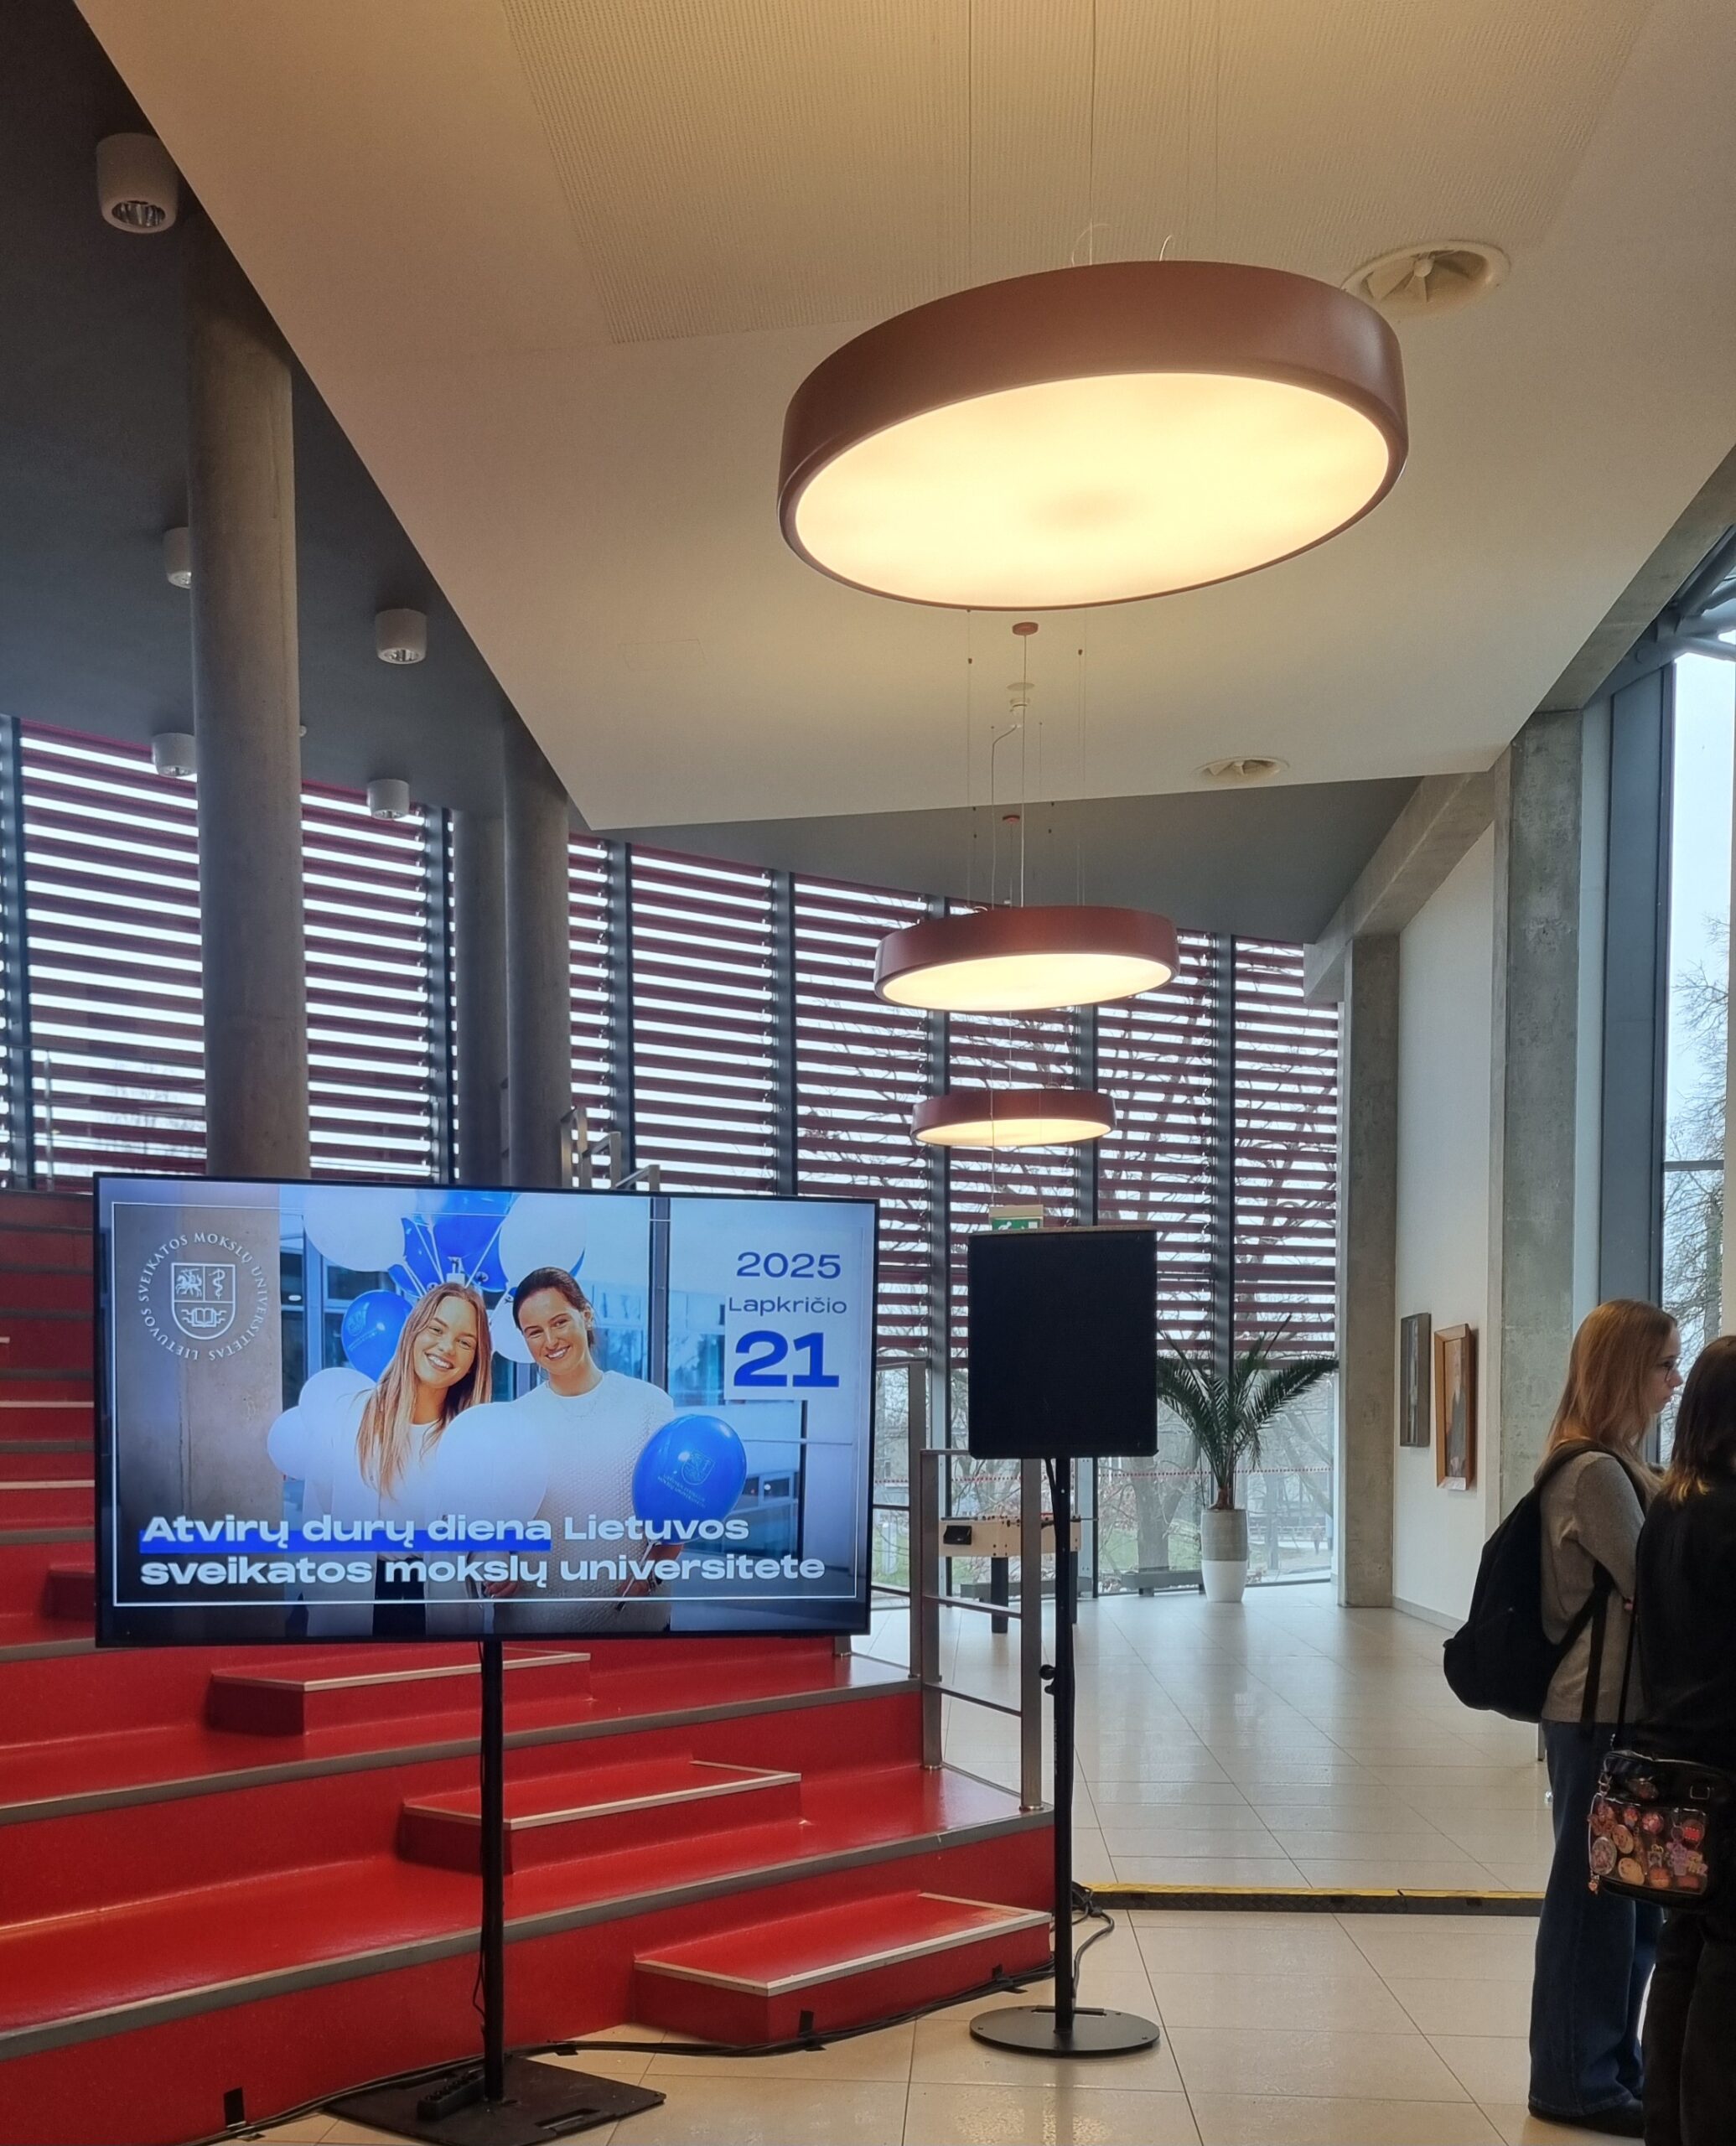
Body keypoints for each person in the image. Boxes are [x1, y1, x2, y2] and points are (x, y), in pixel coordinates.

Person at [1528, 1299, 1679, 2137]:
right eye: (1663, 1364)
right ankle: (1572, 2081)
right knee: (1593, 1904)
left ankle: (1610, 2069)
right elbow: (1656, 1583)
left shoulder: (1623, 1465)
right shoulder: (1592, 1471)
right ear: (1624, 1371)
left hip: (1618, 1711)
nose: (1673, 1380)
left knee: (1630, 1903)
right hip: (1594, 1713)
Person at [1638, 1335, 1736, 2146]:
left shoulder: (1668, 1506)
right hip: (1727, 1756)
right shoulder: (1728, 1512)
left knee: (1682, 1942)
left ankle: (1664, 2124)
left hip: (1673, 1750)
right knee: (1728, 1956)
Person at [298, 1282, 493, 1636]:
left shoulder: (474, 1436)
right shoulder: (348, 1415)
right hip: (354, 1607)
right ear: (412, 1333)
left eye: (465, 1342)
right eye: (436, 1329)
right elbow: (316, 1521)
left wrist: (496, 1562)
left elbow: (483, 1535)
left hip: (439, 1611)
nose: (447, 1348)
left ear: (473, 1363)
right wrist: (320, 1599)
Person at [500, 1267, 678, 1632]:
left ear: (586, 1315)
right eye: (535, 1332)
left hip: (634, 1628)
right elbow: (499, 1525)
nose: (550, 1340)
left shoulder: (649, 1404)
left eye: (560, 1322)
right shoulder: (514, 1420)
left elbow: (681, 1515)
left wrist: (648, 1578)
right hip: (535, 1629)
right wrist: (499, 1565)